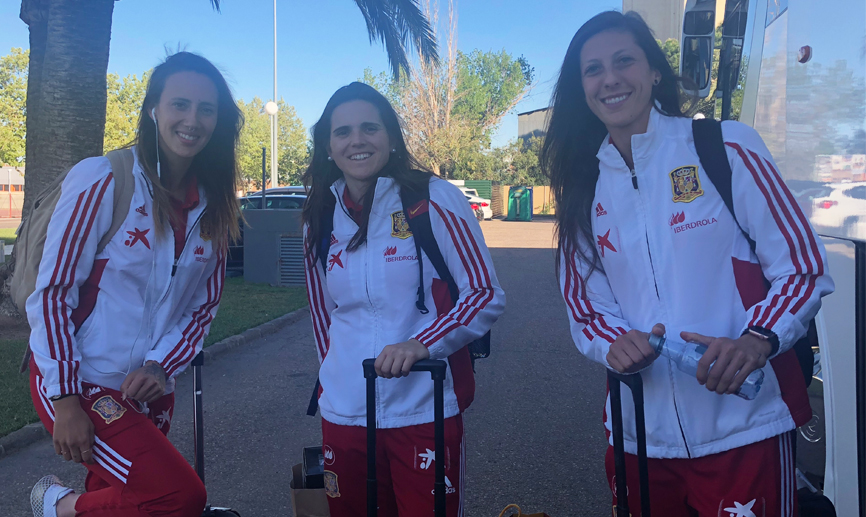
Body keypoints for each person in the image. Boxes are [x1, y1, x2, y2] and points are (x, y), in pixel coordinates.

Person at [543, 11, 834, 516]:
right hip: (639, 436)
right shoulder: (583, 185)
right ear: (581, 87)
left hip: (744, 427)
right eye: (593, 69)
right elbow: (584, 303)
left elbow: (803, 267)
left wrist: (757, 338)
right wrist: (615, 342)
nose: (610, 78)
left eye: (624, 61)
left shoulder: (724, 146)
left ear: (654, 71)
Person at [26, 51, 242, 517]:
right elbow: (51, 294)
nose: (192, 119)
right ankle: (58, 506)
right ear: (153, 110)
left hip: (148, 387)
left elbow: (201, 308)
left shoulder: (216, 203)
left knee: (130, 502)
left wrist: (161, 366)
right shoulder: (104, 178)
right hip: (78, 380)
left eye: (207, 109)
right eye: (179, 104)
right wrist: (65, 401)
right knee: (177, 496)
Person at [302, 82, 505, 517]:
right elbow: (323, 314)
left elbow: (485, 293)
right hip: (344, 414)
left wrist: (422, 344)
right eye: (342, 132)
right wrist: (331, 380)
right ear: (328, 146)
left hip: (423, 406)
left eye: (370, 128)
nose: (357, 140)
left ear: (391, 139)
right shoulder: (319, 216)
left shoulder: (433, 198)